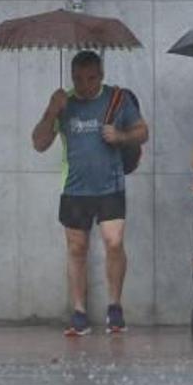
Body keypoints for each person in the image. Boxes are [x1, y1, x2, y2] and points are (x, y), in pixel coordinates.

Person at [31, 50, 149, 336]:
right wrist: (50, 111)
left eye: (91, 78)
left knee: (113, 242)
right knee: (76, 249)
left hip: (110, 185)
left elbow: (143, 132)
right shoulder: (64, 102)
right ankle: (80, 311)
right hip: (75, 188)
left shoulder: (117, 99)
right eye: (78, 79)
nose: (84, 85)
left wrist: (121, 136)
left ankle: (115, 307)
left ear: (101, 75)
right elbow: (39, 143)